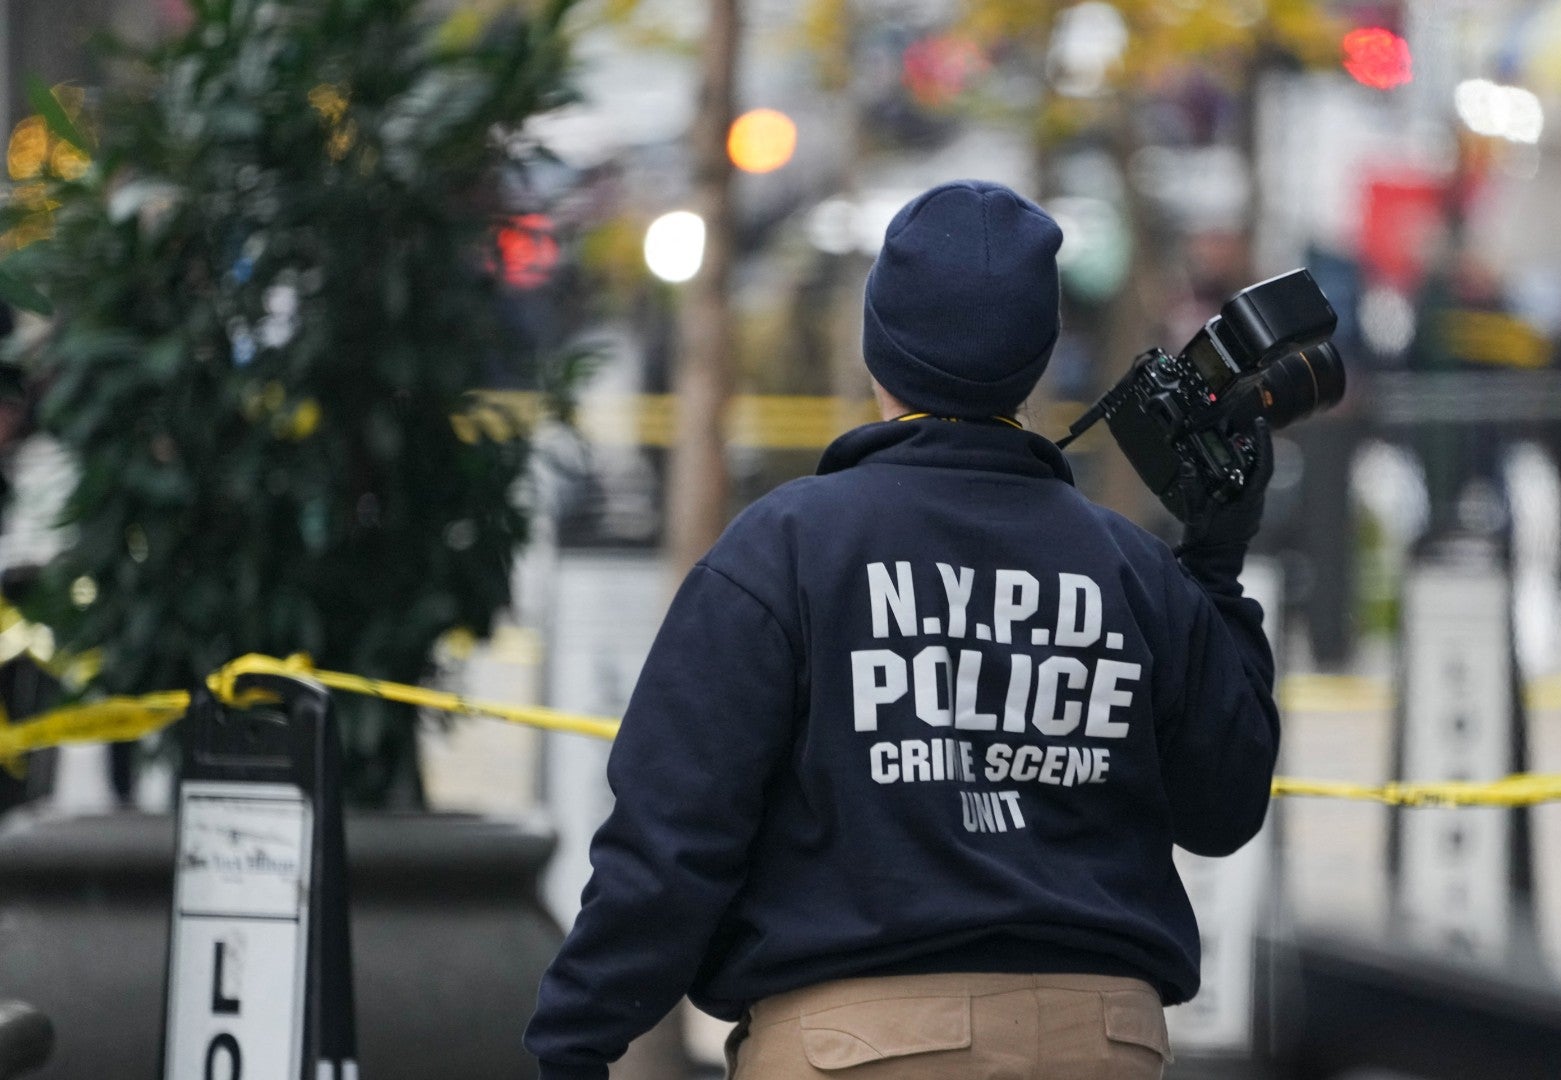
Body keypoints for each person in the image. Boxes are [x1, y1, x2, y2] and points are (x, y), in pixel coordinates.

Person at [524, 180, 1281, 1080]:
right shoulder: (1129, 568)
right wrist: (1214, 572)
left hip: (857, 1045)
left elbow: (672, 840)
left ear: (877, 346)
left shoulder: (787, 551)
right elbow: (1225, 808)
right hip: (1105, 1041)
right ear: (1037, 361)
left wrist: (573, 1039)